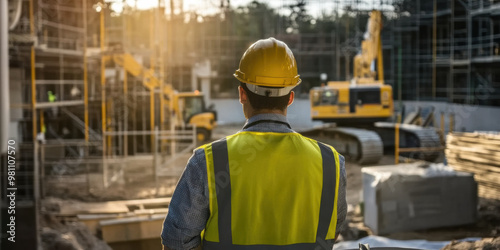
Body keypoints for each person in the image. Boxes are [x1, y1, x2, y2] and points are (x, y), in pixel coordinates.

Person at [161, 37, 347, 250]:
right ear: (290, 98)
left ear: (242, 94)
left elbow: (177, 241)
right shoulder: (330, 162)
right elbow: (332, 232)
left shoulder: (209, 161)